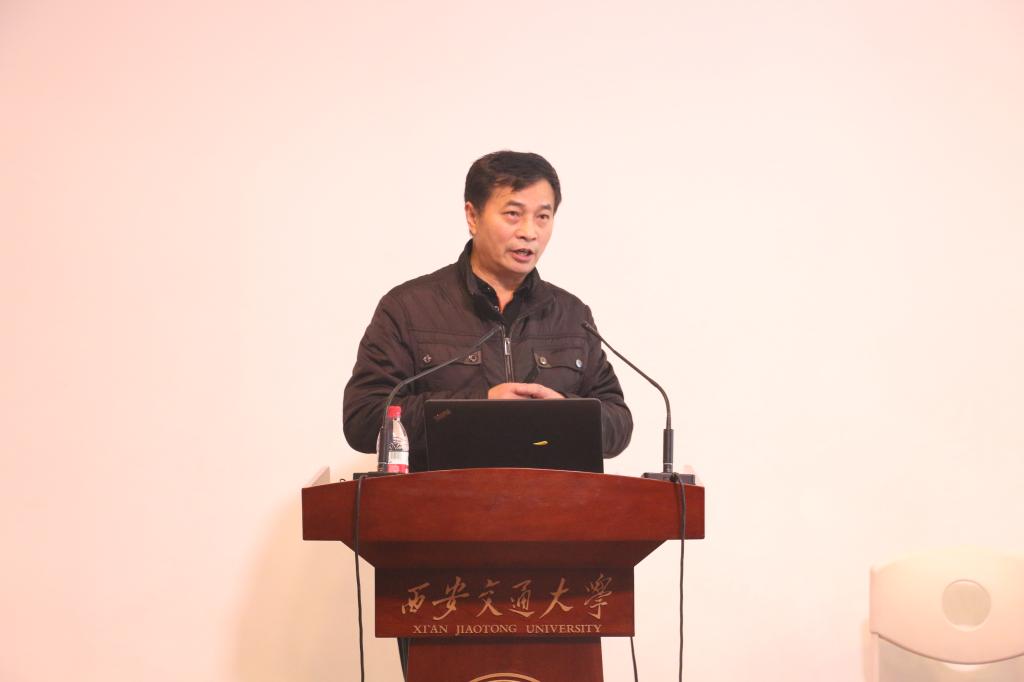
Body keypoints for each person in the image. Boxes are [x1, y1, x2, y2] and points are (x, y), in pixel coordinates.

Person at [343, 150, 632, 471]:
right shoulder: (408, 308)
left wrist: (565, 412)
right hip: (443, 500)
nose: (529, 232)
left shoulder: (572, 315)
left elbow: (619, 426)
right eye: (513, 214)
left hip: (553, 500)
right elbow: (363, 419)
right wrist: (480, 408)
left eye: (543, 216)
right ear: (473, 216)